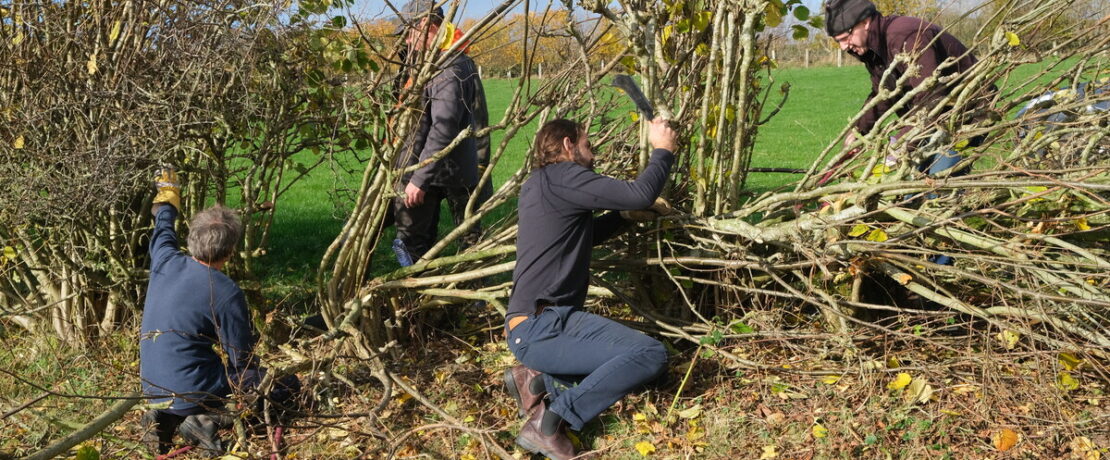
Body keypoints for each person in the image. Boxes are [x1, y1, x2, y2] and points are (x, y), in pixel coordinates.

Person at [501, 118, 678, 459]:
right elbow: (640, 192)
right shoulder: (565, 175)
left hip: (533, 323)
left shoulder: (540, 184)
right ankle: (551, 420)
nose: (593, 154)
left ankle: (537, 381)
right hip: (544, 324)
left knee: (644, 366)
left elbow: (582, 238)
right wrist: (662, 149)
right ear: (568, 145)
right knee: (650, 354)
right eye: (588, 145)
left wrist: (623, 218)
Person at [139, 169, 299, 454]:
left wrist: (168, 194)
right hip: (193, 391)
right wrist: (264, 372)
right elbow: (241, 360)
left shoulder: (164, 260)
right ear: (230, 251)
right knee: (284, 384)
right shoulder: (226, 292)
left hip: (153, 388)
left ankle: (163, 416)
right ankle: (206, 420)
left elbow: (163, 226)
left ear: (191, 239)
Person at [825, 0, 988, 177]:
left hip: (967, 113)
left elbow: (931, 98)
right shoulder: (873, 49)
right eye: (837, 41)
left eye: (845, 38)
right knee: (912, 185)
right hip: (932, 119)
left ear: (865, 22)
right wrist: (858, 131)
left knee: (937, 183)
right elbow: (884, 94)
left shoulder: (904, 35)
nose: (843, 46)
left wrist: (900, 143)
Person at [391, 0, 489, 265]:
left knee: (467, 239)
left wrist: (419, 177)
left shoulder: (450, 67)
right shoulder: (428, 62)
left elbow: (443, 126)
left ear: (425, 26)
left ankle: (474, 300)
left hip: (445, 168)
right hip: (432, 165)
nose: (408, 42)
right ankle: (420, 296)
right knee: (415, 239)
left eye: (409, 33)